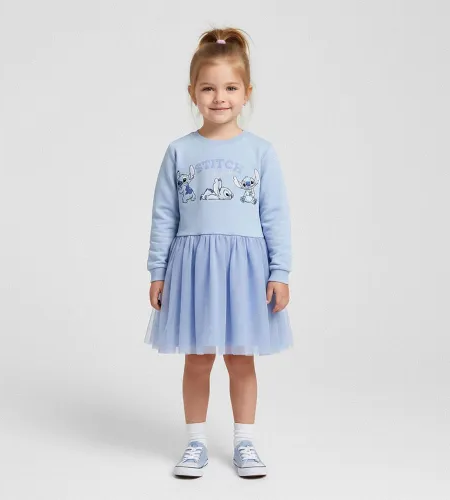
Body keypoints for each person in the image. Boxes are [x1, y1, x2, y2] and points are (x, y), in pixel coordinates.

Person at [144, 27, 293, 478]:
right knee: (197, 358)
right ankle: (195, 443)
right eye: (208, 88)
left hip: (245, 270)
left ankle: (245, 442)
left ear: (247, 93)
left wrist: (280, 272)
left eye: (230, 88)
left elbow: (275, 216)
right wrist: (157, 271)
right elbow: (164, 215)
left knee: (241, 359)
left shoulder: (260, 152)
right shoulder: (179, 151)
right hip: (193, 269)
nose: (219, 97)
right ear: (193, 92)